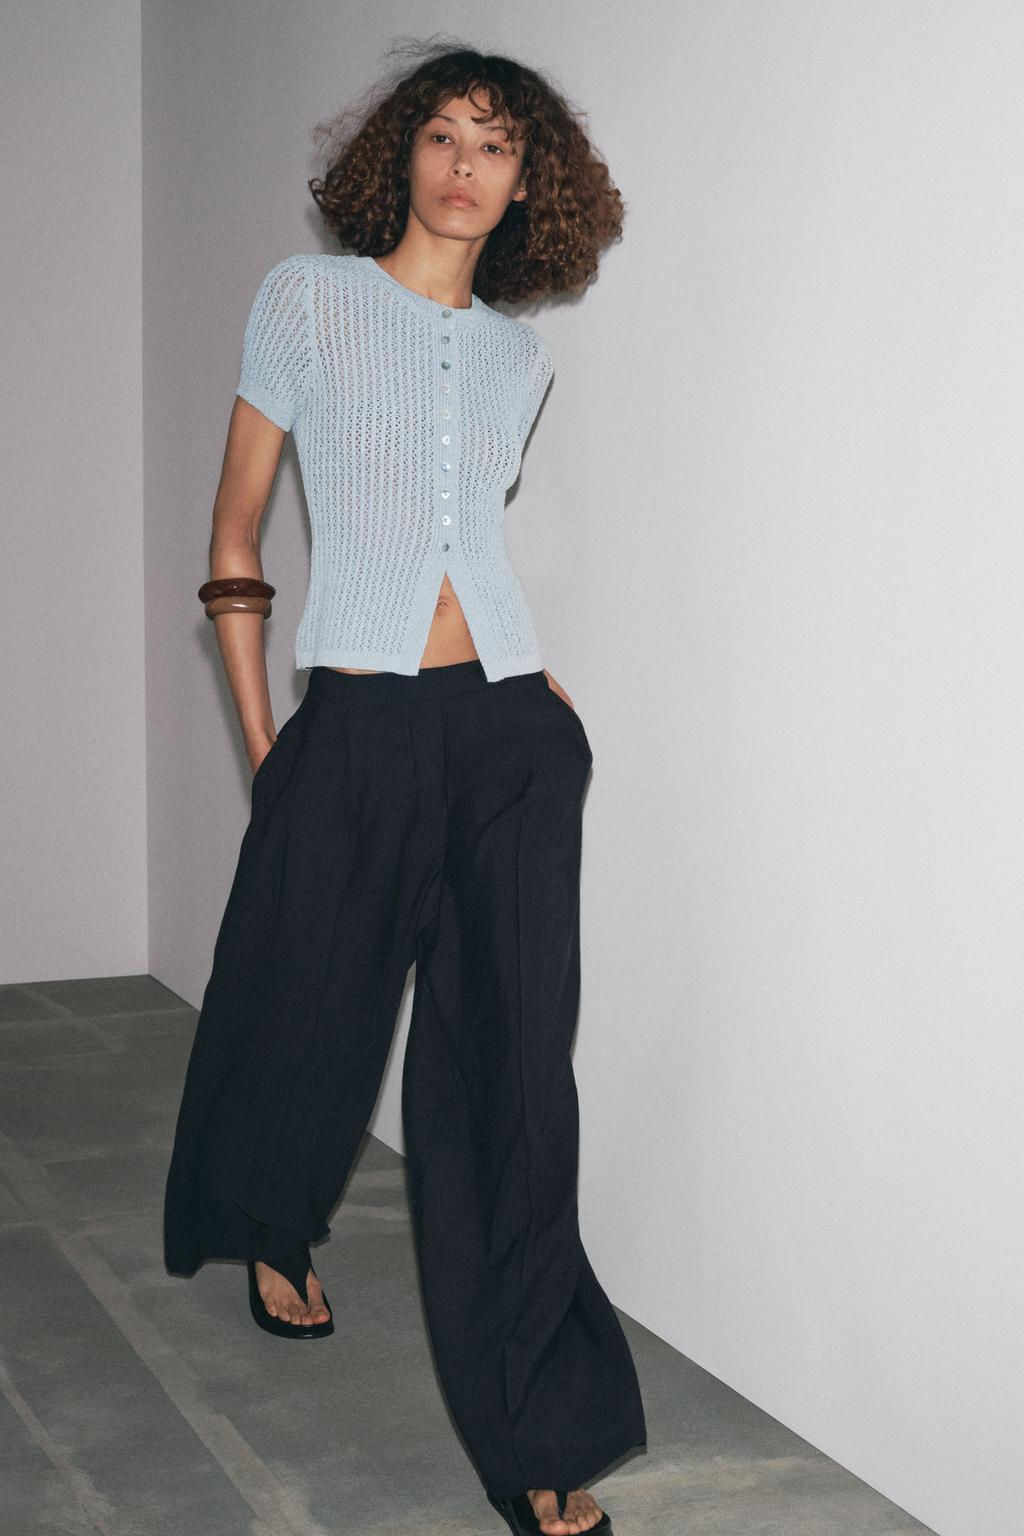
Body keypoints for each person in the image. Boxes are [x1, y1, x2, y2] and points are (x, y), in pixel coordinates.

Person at [162, 42, 646, 1536]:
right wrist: (271, 751)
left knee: (514, 1076)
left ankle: (538, 1424)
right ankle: (270, 1220)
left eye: (497, 146)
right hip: (356, 722)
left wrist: (533, 685)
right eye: (443, 134)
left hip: (506, 734)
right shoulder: (305, 303)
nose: (465, 165)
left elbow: (465, 540)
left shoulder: (518, 359)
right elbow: (236, 539)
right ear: (403, 153)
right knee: (305, 1005)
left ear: (529, 185)